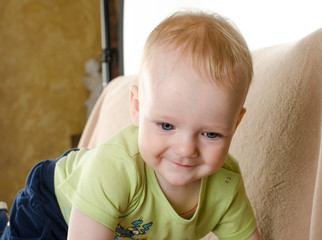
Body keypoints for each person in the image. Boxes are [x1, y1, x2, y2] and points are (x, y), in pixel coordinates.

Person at [1, 10, 259, 240]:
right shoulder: (116, 168)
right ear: (137, 108)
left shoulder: (226, 185)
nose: (185, 149)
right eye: (167, 126)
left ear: (235, 124)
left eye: (210, 133)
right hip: (52, 208)